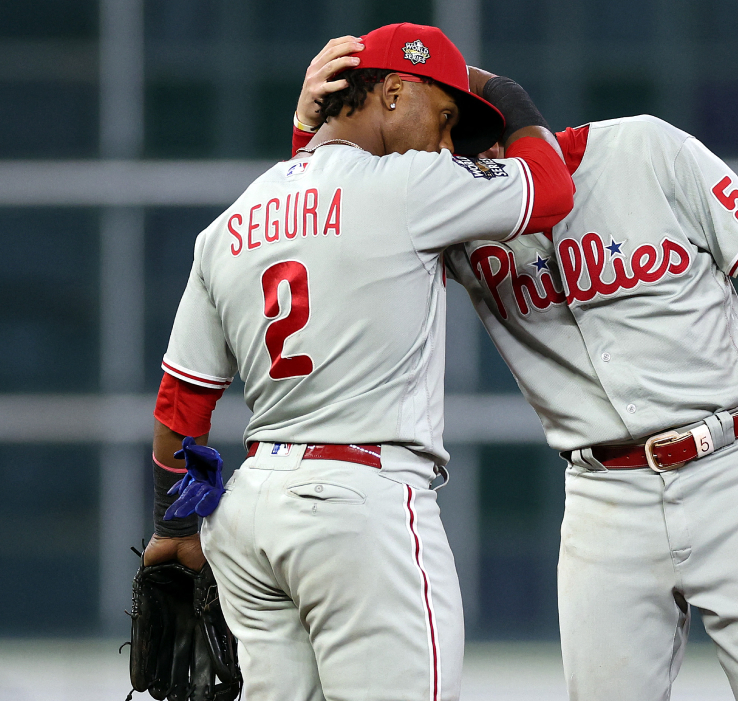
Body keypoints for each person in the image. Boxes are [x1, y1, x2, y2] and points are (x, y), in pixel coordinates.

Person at [292, 37, 738, 701]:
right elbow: (322, 244)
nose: (471, 153)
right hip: (604, 498)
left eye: (481, 132)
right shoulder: (452, 217)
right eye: (453, 137)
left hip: (735, 470)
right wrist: (308, 132)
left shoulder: (646, 148)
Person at [143, 23, 574, 701]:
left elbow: (180, 410)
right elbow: (550, 190)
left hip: (253, 519)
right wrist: (505, 93)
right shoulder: (410, 185)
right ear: (396, 91)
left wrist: (173, 521)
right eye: (445, 116)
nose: (443, 141)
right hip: (361, 509)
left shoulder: (231, 223)